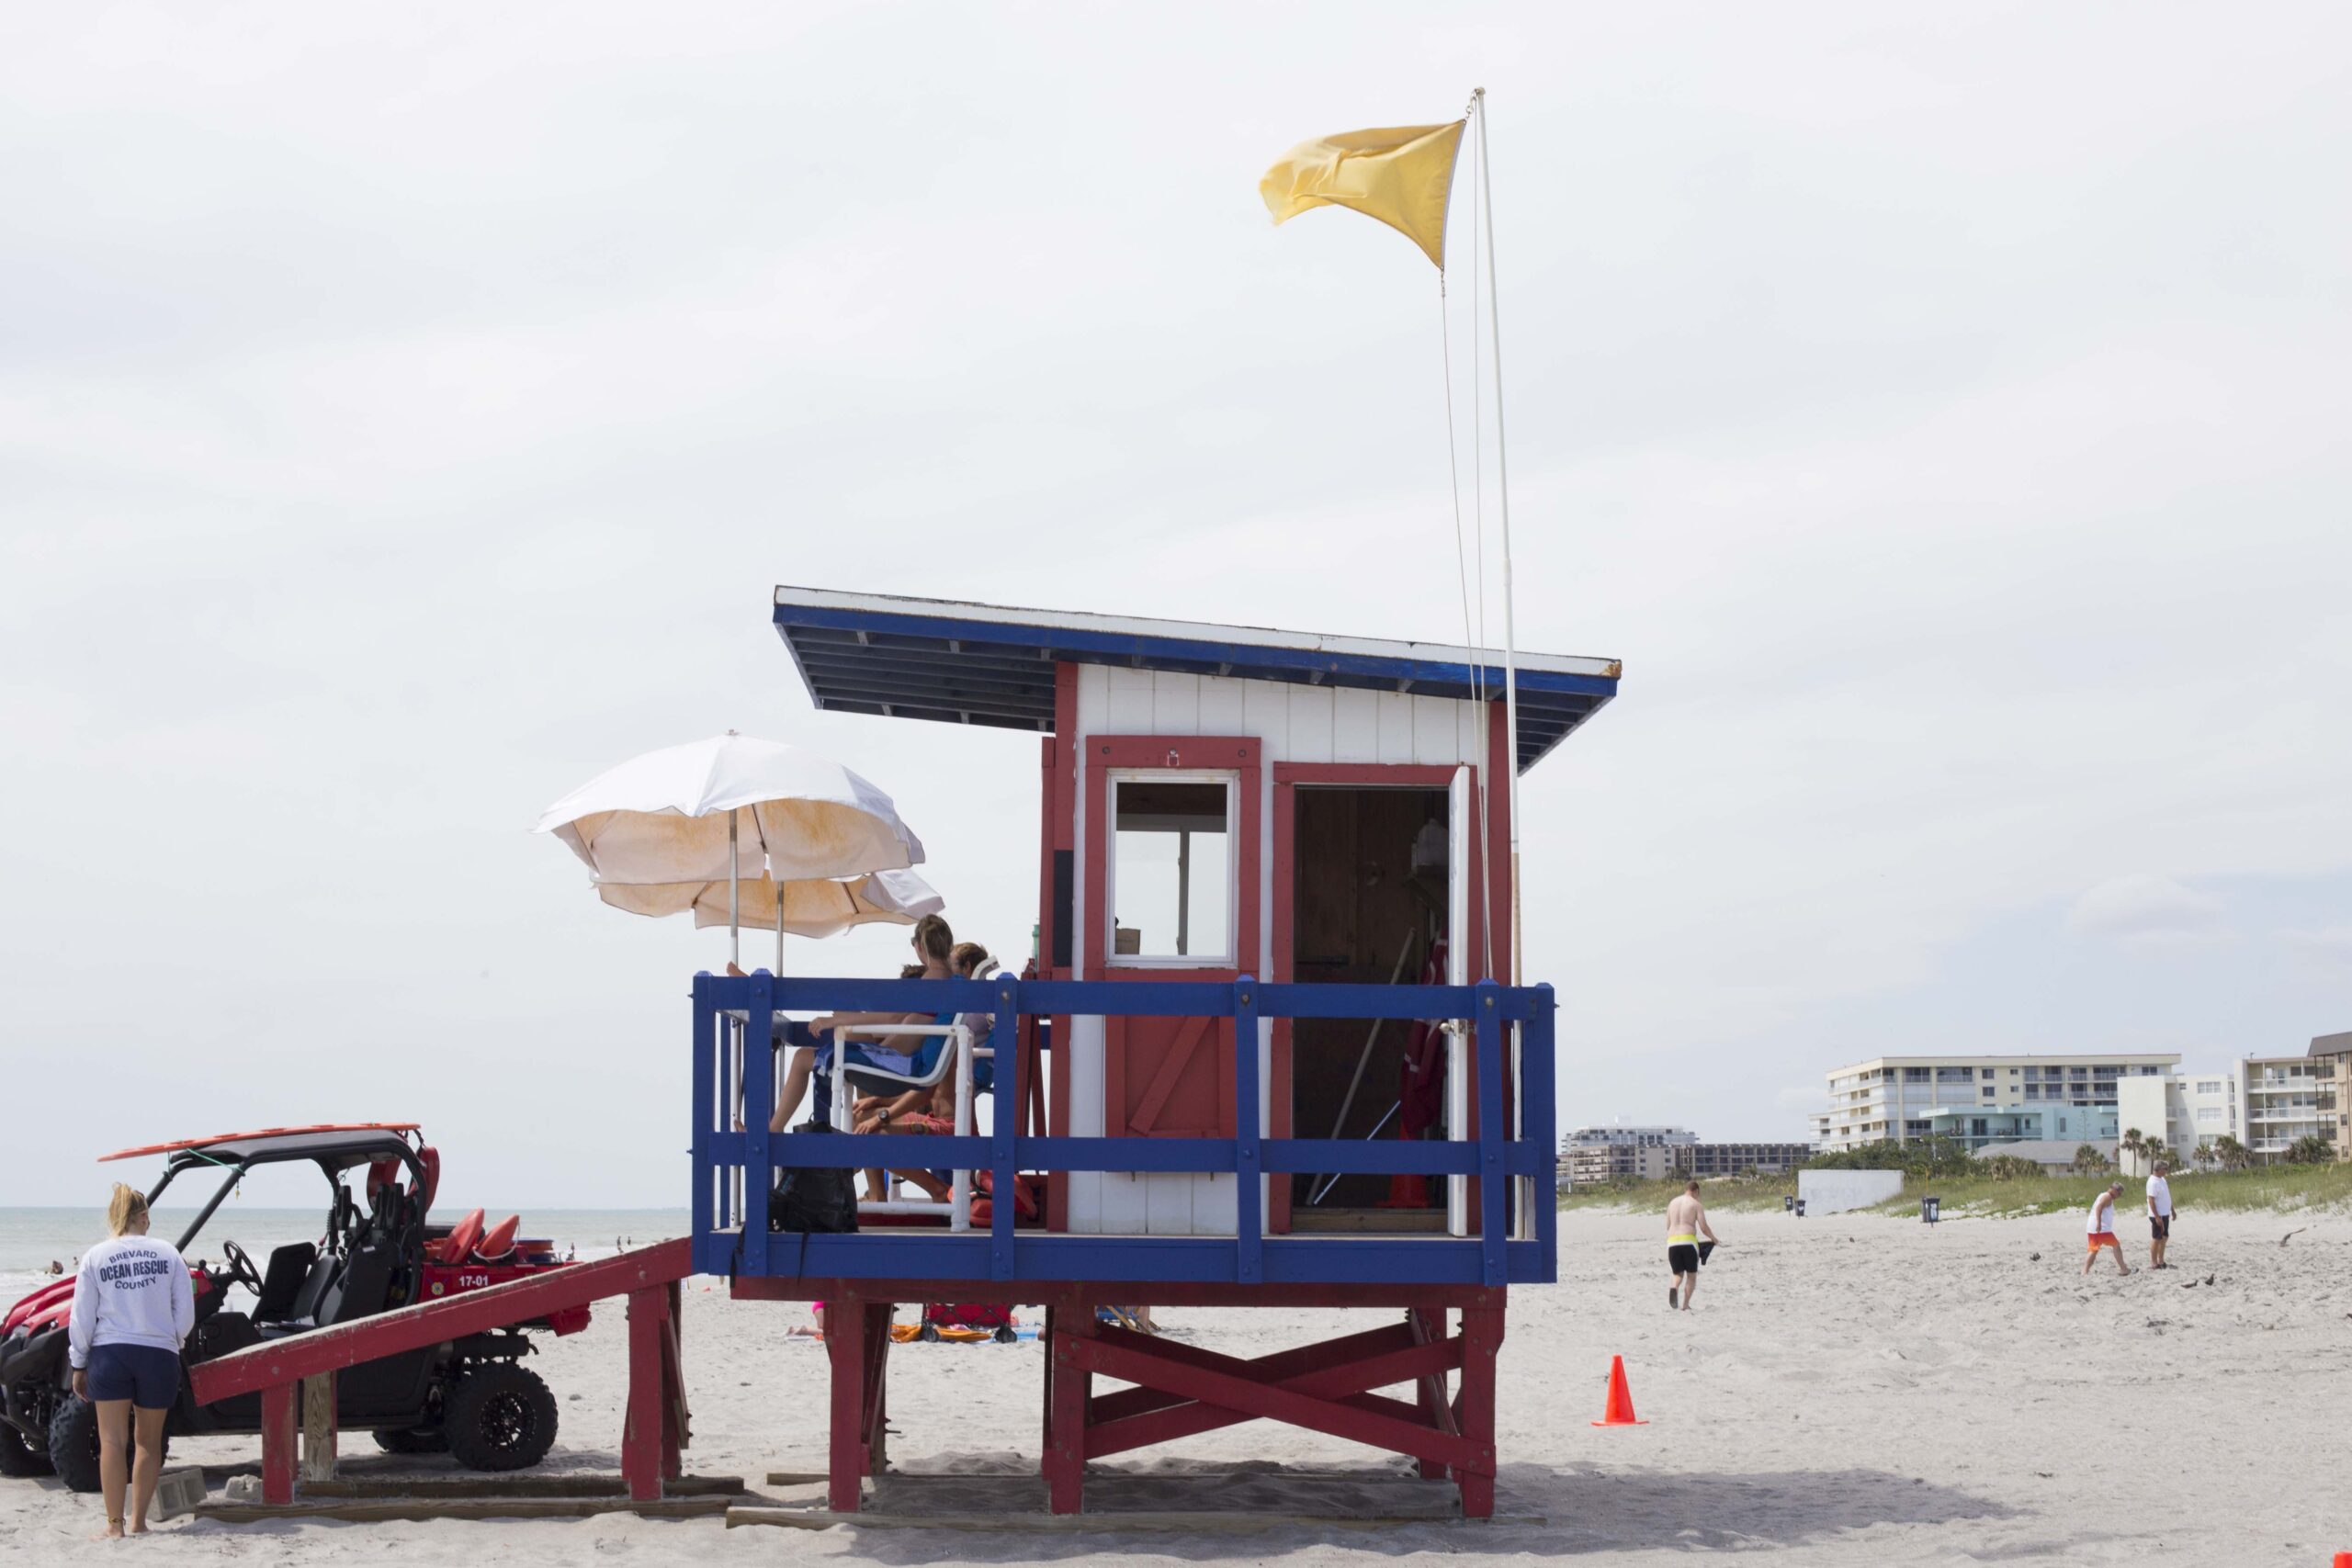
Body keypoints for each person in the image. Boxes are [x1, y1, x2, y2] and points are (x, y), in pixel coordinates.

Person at [69, 1183, 195, 1539]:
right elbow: (184, 1313)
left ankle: (114, 1527)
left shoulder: (97, 1256)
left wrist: (79, 1363)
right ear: (141, 1217)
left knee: (111, 1441)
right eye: (148, 1219)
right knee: (147, 1442)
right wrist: (173, 1342)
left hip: (111, 1354)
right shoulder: (168, 1254)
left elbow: (82, 1319)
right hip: (158, 1354)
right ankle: (139, 1522)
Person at [770, 915, 958, 1139]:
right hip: (897, 1062)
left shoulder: (930, 983)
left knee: (802, 1057)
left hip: (894, 1068)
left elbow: (892, 1019)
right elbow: (901, 1023)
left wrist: (836, 1021)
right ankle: (790, 1128)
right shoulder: (951, 983)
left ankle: (772, 1130)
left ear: (919, 946)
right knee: (846, 1026)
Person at [1666, 1181, 1718, 1311]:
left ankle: (1674, 1287)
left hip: (1672, 1242)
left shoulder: (1672, 1203)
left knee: (1678, 1274)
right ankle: (1685, 1305)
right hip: (1688, 1241)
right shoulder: (1695, 1204)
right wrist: (1714, 1239)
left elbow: (1668, 1225)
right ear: (1696, 1191)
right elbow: (1704, 1227)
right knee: (1691, 1275)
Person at [2082, 1180, 2132, 1277]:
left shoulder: (2104, 1195)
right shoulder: (2107, 1197)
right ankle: (2123, 1269)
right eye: (2119, 1192)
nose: (2120, 1195)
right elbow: (2099, 1208)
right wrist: (2099, 1224)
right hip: (2101, 1229)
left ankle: (2084, 1272)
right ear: (2114, 1190)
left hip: (2094, 1227)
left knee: (2093, 1250)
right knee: (2116, 1245)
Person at [2145, 1161, 2175, 1270]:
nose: (2166, 1171)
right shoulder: (2152, 1182)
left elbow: (2167, 1196)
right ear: (2158, 1169)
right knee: (2157, 1238)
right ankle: (2154, 1262)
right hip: (2157, 1215)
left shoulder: (2162, 1180)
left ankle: (2161, 1260)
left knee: (2165, 1237)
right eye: (2165, 1169)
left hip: (2165, 1213)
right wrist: (2157, 1217)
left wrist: (2172, 1210)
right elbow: (2151, 1200)